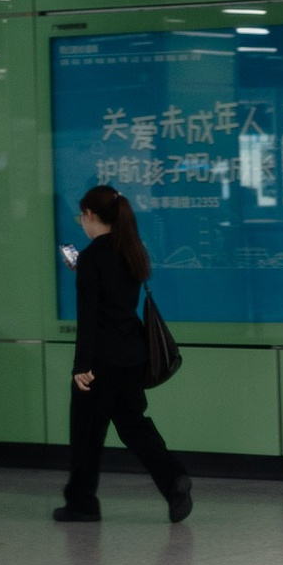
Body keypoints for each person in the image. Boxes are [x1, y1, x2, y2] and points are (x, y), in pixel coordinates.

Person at [58, 184, 191, 525]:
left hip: (100, 361)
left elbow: (89, 317)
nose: (82, 223)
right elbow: (117, 300)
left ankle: (82, 503)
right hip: (132, 355)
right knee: (134, 426)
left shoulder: (91, 258)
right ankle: (174, 480)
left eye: (81, 217)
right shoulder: (131, 251)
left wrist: (81, 366)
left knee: (86, 432)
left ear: (90, 216)